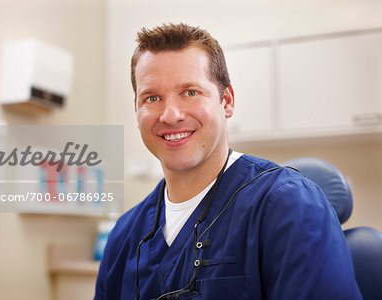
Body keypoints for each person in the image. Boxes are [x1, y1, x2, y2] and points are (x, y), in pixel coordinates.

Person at [95, 23, 362, 300]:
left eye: (190, 92)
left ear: (227, 101)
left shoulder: (290, 205)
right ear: (137, 111)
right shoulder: (124, 236)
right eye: (152, 97)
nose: (170, 115)